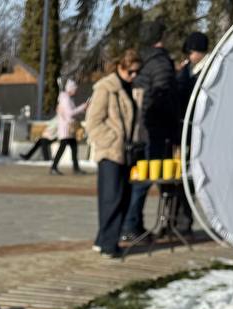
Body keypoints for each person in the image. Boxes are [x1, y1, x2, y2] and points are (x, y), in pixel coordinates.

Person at [121, 19, 179, 238]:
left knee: (136, 178)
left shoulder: (139, 61)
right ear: (161, 38)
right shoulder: (161, 63)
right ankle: (131, 226)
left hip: (137, 130)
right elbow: (165, 98)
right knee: (144, 180)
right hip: (155, 131)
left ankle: (131, 224)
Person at [87, 49, 143, 257]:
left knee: (123, 197)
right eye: (131, 71)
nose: (134, 75)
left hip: (127, 152)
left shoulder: (130, 88)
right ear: (121, 67)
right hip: (110, 152)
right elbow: (93, 122)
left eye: (137, 71)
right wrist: (112, 139)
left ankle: (103, 239)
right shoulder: (106, 88)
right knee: (112, 198)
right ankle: (109, 245)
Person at [175, 31, 210, 233]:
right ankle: (178, 218)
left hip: (195, 131)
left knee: (189, 177)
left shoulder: (205, 72)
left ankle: (184, 220)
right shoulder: (188, 69)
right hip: (183, 130)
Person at [50, 78, 89, 175]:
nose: (76, 91)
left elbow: (71, 112)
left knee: (73, 147)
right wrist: (82, 107)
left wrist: (82, 108)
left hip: (68, 128)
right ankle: (55, 167)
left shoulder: (67, 98)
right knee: (63, 148)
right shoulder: (66, 99)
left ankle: (74, 168)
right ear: (70, 89)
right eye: (75, 89)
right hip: (66, 129)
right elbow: (70, 113)